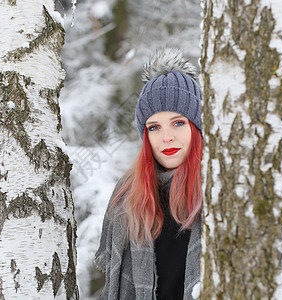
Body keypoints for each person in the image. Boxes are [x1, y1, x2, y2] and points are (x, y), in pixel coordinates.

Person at [95, 47, 202, 300]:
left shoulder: (222, 188)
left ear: (197, 126)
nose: (166, 137)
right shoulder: (126, 197)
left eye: (178, 123)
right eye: (154, 127)